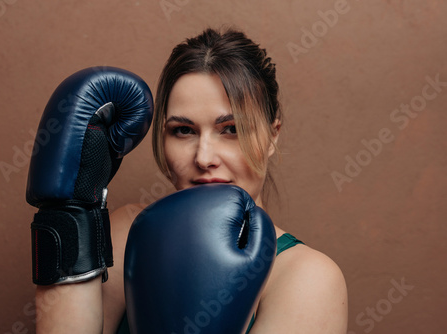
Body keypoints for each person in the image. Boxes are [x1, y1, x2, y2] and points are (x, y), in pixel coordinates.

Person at [33, 27, 348, 333]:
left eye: (232, 129)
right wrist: (67, 210)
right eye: (183, 130)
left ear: (272, 136)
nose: (204, 157)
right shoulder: (126, 231)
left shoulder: (308, 279)